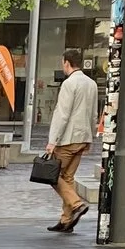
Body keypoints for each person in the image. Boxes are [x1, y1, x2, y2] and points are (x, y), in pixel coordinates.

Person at [45, 51, 102, 235]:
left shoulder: (69, 84)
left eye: (63, 63)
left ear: (67, 63)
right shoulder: (91, 84)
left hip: (67, 138)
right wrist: (90, 136)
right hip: (83, 136)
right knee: (67, 177)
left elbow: (62, 114)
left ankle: (76, 205)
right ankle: (66, 220)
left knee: (53, 176)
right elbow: (94, 113)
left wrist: (53, 141)